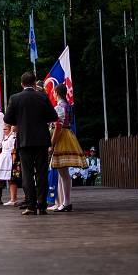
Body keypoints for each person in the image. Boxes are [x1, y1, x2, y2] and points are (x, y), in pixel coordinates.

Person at [3, 71, 59, 216]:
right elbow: (53, 116)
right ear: (35, 84)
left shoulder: (15, 98)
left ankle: (31, 206)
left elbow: (8, 119)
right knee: (41, 173)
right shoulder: (42, 96)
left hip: (24, 140)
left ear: (22, 84)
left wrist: (20, 120)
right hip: (41, 140)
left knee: (27, 174)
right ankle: (42, 205)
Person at [49, 83, 87, 212]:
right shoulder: (69, 106)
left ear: (56, 93)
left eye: (54, 93)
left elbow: (58, 126)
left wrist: (52, 143)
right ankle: (64, 202)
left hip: (61, 137)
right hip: (68, 134)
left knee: (63, 172)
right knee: (63, 173)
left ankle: (66, 202)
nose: (53, 95)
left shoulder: (59, 107)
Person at [0, 124, 19, 206]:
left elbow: (13, 148)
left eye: (6, 129)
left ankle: (14, 199)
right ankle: (12, 198)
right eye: (3, 129)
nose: (4, 131)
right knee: (8, 179)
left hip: (10, 157)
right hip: (4, 157)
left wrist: (13, 159)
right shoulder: (5, 137)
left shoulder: (13, 137)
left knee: (12, 178)